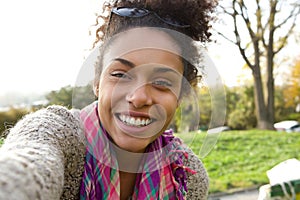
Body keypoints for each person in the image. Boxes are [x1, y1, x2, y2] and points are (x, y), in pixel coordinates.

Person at [0, 0, 217, 199]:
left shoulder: (188, 177)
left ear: (180, 95)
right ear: (97, 82)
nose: (139, 97)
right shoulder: (60, 134)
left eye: (162, 82)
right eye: (120, 74)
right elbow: (29, 163)